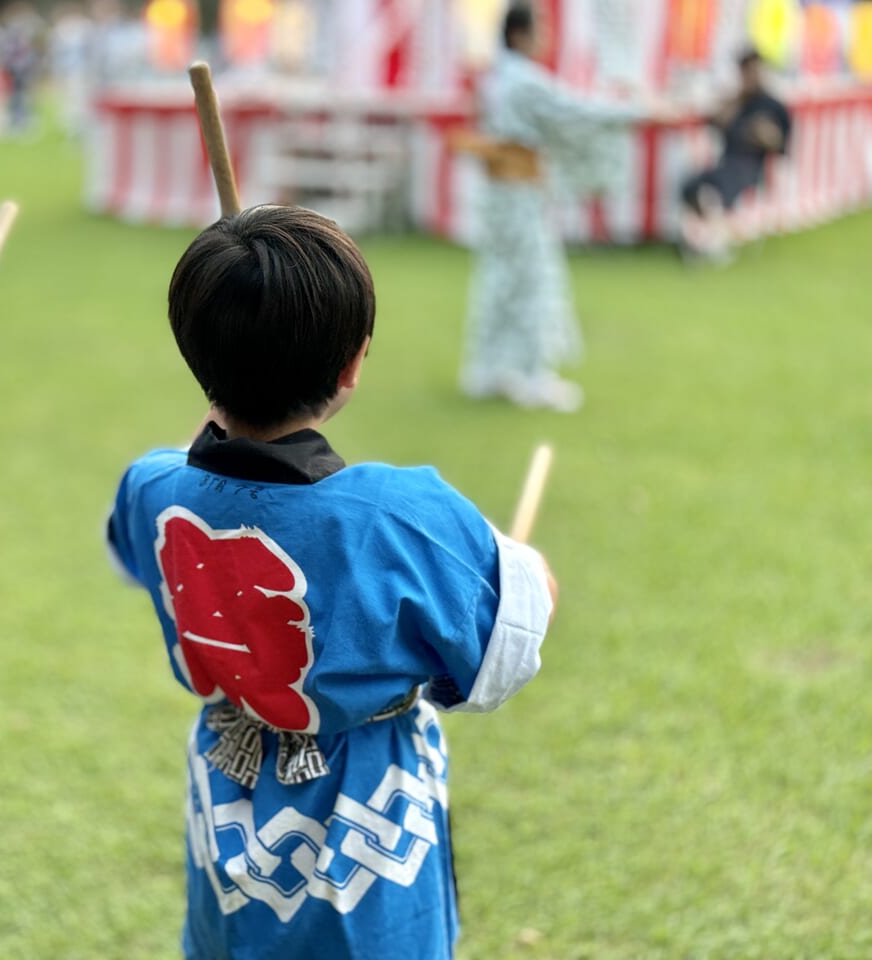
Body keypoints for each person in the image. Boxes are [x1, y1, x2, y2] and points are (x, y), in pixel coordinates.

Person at [107, 204, 557, 959]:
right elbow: (498, 659)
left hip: (228, 782)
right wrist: (531, 573)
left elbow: (134, 543)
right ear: (352, 365)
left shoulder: (153, 489)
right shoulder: (403, 519)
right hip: (364, 803)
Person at [460, 5, 648, 413]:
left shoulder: (494, 78)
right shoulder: (523, 81)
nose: (544, 36)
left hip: (499, 191)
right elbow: (575, 111)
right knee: (533, 278)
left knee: (499, 278)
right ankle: (532, 374)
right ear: (519, 35)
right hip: (516, 191)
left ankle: (488, 367)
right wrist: (638, 111)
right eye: (538, 29)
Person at [679, 49, 791, 261]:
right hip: (725, 163)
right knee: (691, 184)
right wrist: (733, 102)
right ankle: (704, 239)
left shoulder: (773, 106)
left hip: (749, 168)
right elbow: (715, 121)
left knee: (715, 190)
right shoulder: (738, 102)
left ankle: (714, 244)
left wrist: (764, 135)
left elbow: (782, 145)